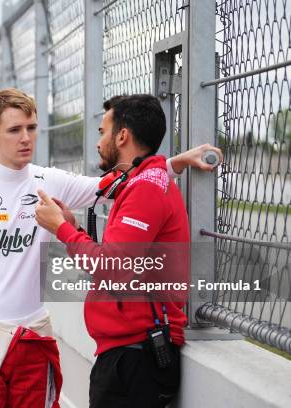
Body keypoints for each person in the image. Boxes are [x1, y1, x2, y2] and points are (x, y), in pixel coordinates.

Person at [0, 88, 220, 407]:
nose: (25, 138)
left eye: (32, 128)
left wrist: (175, 163)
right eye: (14, 130)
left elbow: (120, 183)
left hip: (32, 335)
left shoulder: (47, 180)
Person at [35, 94, 199, 407]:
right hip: (128, 353)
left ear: (122, 136)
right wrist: (75, 229)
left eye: (102, 132)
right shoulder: (141, 181)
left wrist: (62, 229)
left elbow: (112, 268)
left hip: (136, 357)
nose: (99, 141)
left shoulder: (147, 188)